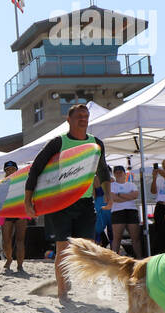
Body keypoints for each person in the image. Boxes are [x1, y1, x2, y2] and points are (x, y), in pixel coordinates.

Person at [23, 103, 110, 300]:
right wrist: (29, 201)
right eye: (79, 116)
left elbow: (103, 170)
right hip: (60, 204)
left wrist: (107, 194)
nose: (83, 119)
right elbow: (35, 169)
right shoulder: (58, 143)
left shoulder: (96, 144)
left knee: (86, 248)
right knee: (62, 250)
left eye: (86, 115)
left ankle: (66, 277)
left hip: (85, 202)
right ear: (68, 119)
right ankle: (63, 293)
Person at [0, 161, 27, 272]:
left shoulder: (22, 181)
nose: (10, 171)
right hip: (6, 213)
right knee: (6, 241)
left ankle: (20, 265)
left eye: (12, 169)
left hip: (20, 212)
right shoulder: (0, 183)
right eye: (8, 169)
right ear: (5, 171)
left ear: (16, 169)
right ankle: (9, 259)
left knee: (20, 240)